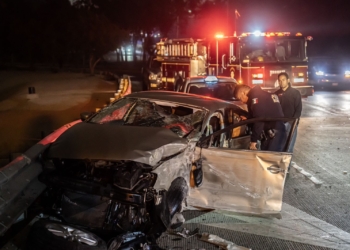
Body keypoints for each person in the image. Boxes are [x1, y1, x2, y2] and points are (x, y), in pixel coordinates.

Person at [233, 84, 286, 151]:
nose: (242, 102)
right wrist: (249, 118)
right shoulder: (262, 95)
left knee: (268, 160)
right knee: (271, 160)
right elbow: (264, 114)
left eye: (240, 98)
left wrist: (253, 142)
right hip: (276, 133)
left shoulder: (256, 97)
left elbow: (259, 120)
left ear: (243, 93)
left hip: (273, 135)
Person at [275, 72, 302, 153]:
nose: (281, 82)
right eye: (279, 80)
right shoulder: (275, 94)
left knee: (289, 148)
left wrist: (294, 122)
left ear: (288, 80)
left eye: (283, 80)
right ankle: (280, 165)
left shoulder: (295, 93)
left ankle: (287, 165)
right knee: (280, 147)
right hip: (279, 124)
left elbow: (298, 109)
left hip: (291, 123)